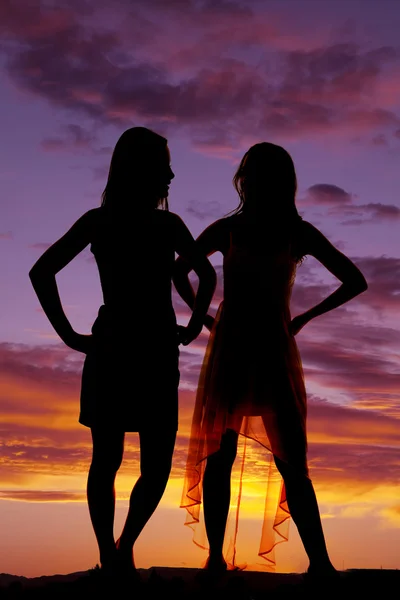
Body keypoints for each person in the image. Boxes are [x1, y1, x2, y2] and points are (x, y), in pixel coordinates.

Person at [29, 127, 217, 578]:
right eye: (164, 165)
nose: (171, 174)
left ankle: (116, 550)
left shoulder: (104, 221)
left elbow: (42, 272)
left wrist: (72, 337)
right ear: (144, 169)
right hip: (146, 346)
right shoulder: (154, 224)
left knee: (115, 460)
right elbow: (206, 277)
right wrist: (191, 326)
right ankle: (116, 551)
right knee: (140, 463)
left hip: (123, 344)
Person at [174, 142, 368, 578]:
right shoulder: (230, 229)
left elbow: (355, 280)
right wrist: (203, 314)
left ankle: (320, 563)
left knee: (291, 461)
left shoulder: (297, 231)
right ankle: (216, 562)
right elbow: (180, 269)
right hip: (233, 350)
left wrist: (302, 318)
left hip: (274, 351)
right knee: (220, 456)